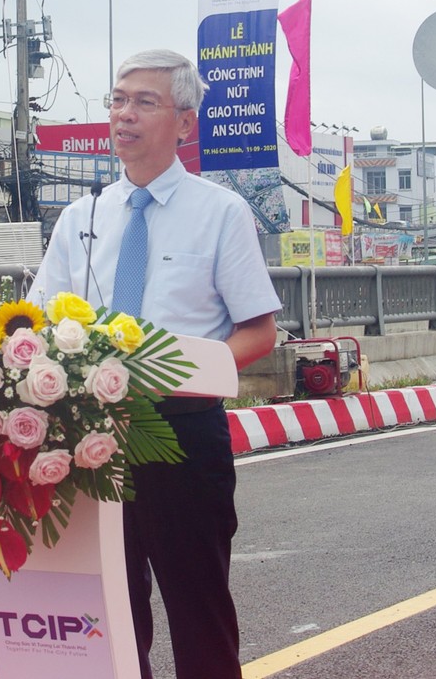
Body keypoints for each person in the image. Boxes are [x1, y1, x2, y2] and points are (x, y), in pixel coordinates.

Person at [28, 49, 280, 679]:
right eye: (117, 100)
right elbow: (34, 322)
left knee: (198, 609)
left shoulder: (220, 212)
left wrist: (192, 371)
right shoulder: (80, 217)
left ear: (185, 123)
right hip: (87, 434)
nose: (125, 115)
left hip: (180, 432)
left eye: (145, 102)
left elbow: (260, 330)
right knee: (110, 610)